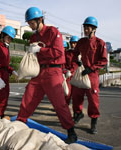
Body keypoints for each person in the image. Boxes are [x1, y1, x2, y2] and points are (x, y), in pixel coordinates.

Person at [16, 7, 77, 144]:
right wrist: (32, 52)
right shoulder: (33, 36)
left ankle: (71, 131)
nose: (30, 26)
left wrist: (40, 49)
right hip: (39, 72)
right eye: (29, 23)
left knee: (59, 103)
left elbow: (58, 52)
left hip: (53, 71)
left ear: (40, 20)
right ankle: (19, 124)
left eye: (32, 23)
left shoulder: (53, 32)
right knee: (28, 97)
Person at [72, 16, 107, 134]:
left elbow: (103, 60)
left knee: (93, 100)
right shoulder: (81, 42)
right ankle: (78, 113)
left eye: (88, 28)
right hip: (81, 73)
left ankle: (94, 121)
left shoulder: (100, 43)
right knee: (76, 95)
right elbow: (75, 53)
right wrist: (76, 60)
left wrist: (91, 68)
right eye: (85, 27)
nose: (85, 30)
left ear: (94, 29)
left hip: (92, 76)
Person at [0, 26, 18, 118]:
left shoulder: (6, 48)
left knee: (4, 100)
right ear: (2, 35)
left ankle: (0, 116)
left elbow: (5, 65)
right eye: (8, 37)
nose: (9, 40)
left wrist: (12, 71)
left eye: (11, 38)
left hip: (4, 77)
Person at [63, 36, 79, 105]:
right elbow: (63, 63)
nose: (73, 45)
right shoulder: (67, 53)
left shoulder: (80, 53)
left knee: (77, 94)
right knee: (67, 92)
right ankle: (65, 107)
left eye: (75, 43)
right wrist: (65, 71)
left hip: (77, 75)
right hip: (68, 75)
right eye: (72, 43)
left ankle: (77, 110)